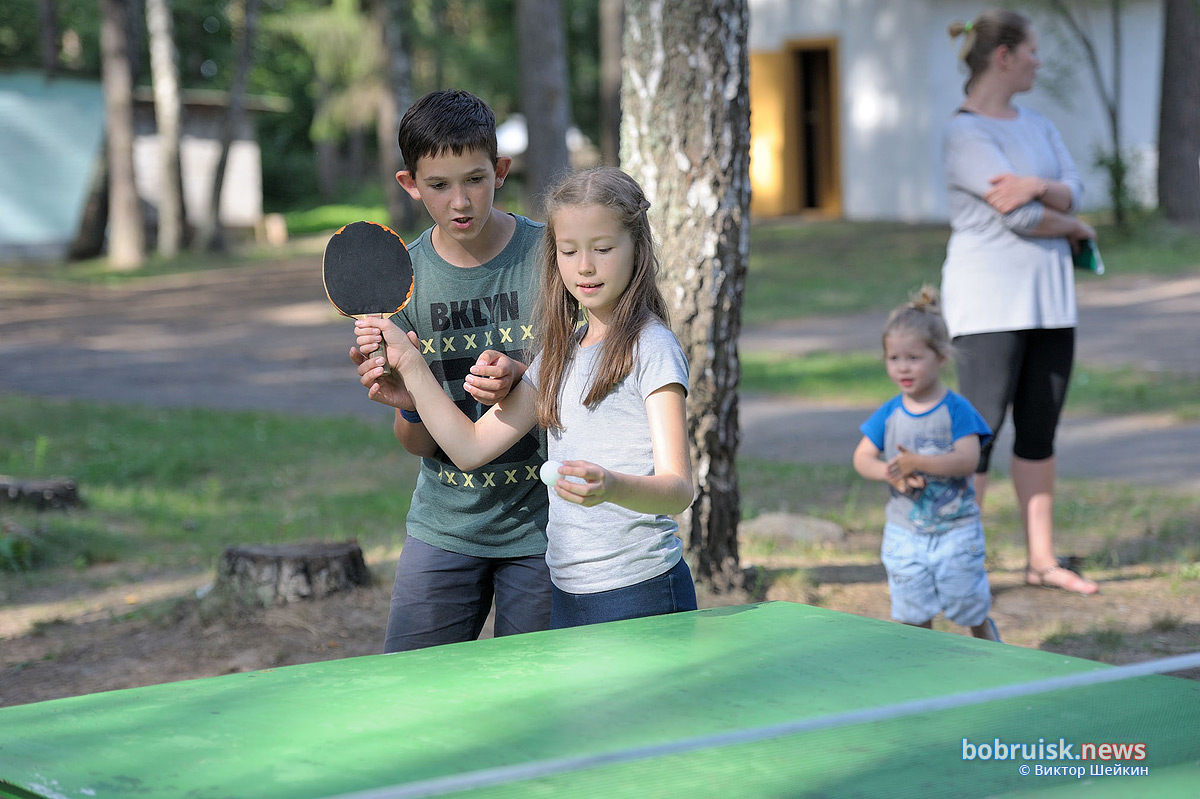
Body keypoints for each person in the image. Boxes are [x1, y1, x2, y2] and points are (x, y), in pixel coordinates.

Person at [357, 166, 698, 629]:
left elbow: (678, 489)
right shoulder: (558, 355)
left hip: (641, 588)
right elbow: (469, 448)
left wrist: (611, 486)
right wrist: (412, 366)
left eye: (603, 249)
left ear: (637, 249)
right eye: (569, 250)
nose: (585, 266)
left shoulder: (652, 347)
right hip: (568, 591)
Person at [350, 89, 552, 652]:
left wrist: (521, 379)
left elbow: (581, 381)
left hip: (544, 529)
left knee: (535, 690)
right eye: (439, 185)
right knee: (415, 687)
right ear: (410, 184)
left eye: (475, 180)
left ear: (501, 171)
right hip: (445, 526)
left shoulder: (551, 257)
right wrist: (411, 403)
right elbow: (416, 444)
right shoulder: (402, 281)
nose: (460, 201)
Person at [941, 9, 1099, 595]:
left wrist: (1036, 186)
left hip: (1051, 302)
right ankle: (962, 564)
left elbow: (1070, 190)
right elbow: (1021, 217)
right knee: (979, 434)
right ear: (1003, 57)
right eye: (1032, 50)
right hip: (989, 306)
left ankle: (1041, 560)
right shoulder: (965, 133)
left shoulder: (1039, 124)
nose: (1039, 60)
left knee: (1039, 430)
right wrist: (1070, 222)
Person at [853, 287, 1001, 642]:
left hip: (956, 533)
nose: (903, 367)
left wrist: (916, 462)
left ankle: (992, 652)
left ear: (941, 357)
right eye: (894, 358)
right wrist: (893, 474)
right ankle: (925, 666)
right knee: (913, 614)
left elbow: (968, 459)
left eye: (914, 357)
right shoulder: (889, 413)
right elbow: (862, 458)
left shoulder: (957, 409)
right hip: (904, 534)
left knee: (970, 607)